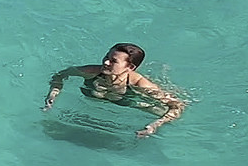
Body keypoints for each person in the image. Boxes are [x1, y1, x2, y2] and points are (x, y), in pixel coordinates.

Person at [43, 43, 185, 138]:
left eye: (113, 61)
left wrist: (155, 125)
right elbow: (60, 75)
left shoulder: (140, 84)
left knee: (161, 112)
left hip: (129, 97)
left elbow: (177, 106)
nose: (105, 62)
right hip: (100, 99)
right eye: (106, 57)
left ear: (130, 67)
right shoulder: (91, 71)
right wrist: (53, 94)